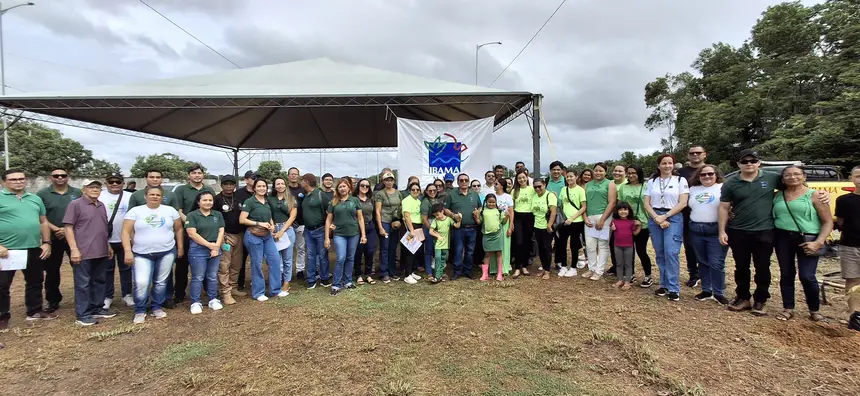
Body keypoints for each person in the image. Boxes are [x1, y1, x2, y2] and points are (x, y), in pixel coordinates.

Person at [718, 149, 829, 315]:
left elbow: (795, 185)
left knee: (762, 267)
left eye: (752, 161)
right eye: (745, 161)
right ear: (739, 164)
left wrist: (821, 193)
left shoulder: (772, 178)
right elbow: (724, 206)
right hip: (738, 230)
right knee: (741, 267)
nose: (749, 164)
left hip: (765, 231)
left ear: (758, 162)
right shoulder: (731, 183)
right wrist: (722, 230)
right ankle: (743, 297)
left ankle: (760, 300)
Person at [772, 166, 833, 322]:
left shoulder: (815, 196)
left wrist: (818, 242)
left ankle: (814, 310)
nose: (792, 177)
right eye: (788, 175)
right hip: (782, 237)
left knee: (807, 276)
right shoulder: (778, 196)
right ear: (783, 178)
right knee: (786, 274)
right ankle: (788, 308)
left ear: (804, 176)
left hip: (808, 238)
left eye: (796, 174)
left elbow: (827, 222)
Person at [0, 169, 56, 331]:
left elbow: (43, 222)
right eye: (13, 179)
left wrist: (46, 242)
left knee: (35, 281)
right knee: (2, 285)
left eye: (21, 179)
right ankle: (3, 316)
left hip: (32, 247)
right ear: (4, 182)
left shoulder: (34, 198)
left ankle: (35, 310)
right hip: (6, 250)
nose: (18, 182)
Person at [122, 186, 183, 324]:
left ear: (162, 197)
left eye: (158, 195)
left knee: (161, 282)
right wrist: (127, 250)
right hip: (141, 253)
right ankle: (140, 310)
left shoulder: (170, 211)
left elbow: (178, 229)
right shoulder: (136, 211)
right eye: (152, 194)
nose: (155, 197)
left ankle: (156, 306)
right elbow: (125, 232)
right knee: (141, 282)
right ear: (145, 196)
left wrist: (180, 247)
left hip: (166, 251)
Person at [63, 179, 115, 326]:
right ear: (83, 189)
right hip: (83, 251)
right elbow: (68, 228)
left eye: (97, 187)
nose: (94, 189)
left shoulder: (101, 205)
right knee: (83, 283)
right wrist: (74, 249)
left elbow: (102, 228)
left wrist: (108, 246)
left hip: (101, 250)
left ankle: (97, 307)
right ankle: (83, 314)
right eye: (91, 187)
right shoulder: (75, 205)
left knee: (99, 280)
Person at [644, 154, 689, 301]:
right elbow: (646, 203)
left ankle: (673, 287)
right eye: (664, 163)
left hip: (673, 217)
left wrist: (665, 216)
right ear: (659, 166)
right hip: (655, 216)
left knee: (671, 252)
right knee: (660, 253)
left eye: (670, 163)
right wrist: (657, 217)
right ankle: (663, 285)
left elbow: (682, 203)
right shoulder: (652, 181)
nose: (667, 166)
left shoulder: (680, 181)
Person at [37, 167, 81, 314]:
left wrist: (67, 229)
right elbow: (39, 215)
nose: (60, 178)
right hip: (52, 237)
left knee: (80, 267)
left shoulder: (77, 193)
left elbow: (81, 213)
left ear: (68, 177)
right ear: (51, 178)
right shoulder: (43, 194)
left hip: (74, 236)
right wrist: (56, 229)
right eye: (56, 176)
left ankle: (82, 298)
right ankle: (53, 300)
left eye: (63, 175)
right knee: (52, 271)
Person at [172, 164, 215, 306]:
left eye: (199, 173)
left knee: (206, 261)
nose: (197, 175)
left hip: (206, 232)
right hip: (186, 231)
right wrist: (191, 223)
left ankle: (209, 293)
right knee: (182, 263)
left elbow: (212, 208)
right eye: (194, 173)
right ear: (188, 175)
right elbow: (178, 210)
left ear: (203, 175)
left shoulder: (208, 190)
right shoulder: (181, 190)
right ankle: (179, 293)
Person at [687, 165, 729, 305]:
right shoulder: (693, 189)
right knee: (703, 262)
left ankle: (718, 292)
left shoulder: (723, 187)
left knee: (716, 263)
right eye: (703, 174)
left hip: (715, 229)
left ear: (716, 175)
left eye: (710, 174)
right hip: (696, 229)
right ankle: (706, 290)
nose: (707, 176)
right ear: (698, 176)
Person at [239, 179, 285, 301]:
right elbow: (242, 219)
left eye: (264, 186)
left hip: (267, 235)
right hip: (253, 235)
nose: (262, 188)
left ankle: (275, 290)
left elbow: (268, 216)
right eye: (259, 186)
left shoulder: (267, 201)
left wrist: (272, 224)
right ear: (254, 188)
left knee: (274, 260)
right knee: (257, 264)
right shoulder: (250, 202)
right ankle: (258, 293)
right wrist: (258, 223)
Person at [184, 191, 225, 314]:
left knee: (212, 276)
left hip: (215, 247)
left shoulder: (217, 214)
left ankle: (213, 299)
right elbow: (192, 233)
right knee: (198, 277)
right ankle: (195, 302)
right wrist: (209, 245)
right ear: (198, 202)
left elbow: (221, 231)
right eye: (205, 200)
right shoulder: (192, 215)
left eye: (210, 200)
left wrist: (216, 247)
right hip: (198, 249)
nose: (208, 202)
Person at [324, 178, 366, 295]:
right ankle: (336, 284)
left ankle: (347, 281)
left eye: (344, 186)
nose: (342, 188)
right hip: (339, 234)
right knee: (341, 257)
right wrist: (327, 237)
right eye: (340, 186)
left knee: (350, 258)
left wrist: (363, 234)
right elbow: (328, 220)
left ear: (349, 188)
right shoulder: (333, 202)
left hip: (354, 234)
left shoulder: (355, 201)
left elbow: (360, 218)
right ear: (337, 189)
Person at [99, 172, 133, 309]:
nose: (114, 184)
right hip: (106, 239)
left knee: (126, 268)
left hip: (125, 239)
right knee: (107, 269)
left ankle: (127, 294)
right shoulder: (100, 196)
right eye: (111, 181)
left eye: (117, 182)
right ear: (106, 183)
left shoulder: (130, 196)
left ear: (123, 183)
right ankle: (107, 296)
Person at [678, 145, 708, 286]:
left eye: (698, 153)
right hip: (686, 214)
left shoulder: (710, 170)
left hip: (709, 213)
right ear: (688, 156)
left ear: (704, 155)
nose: (695, 155)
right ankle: (694, 275)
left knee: (709, 247)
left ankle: (708, 275)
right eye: (692, 153)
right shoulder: (681, 172)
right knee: (690, 245)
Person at [618, 165, 652, 287]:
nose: (631, 175)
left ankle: (648, 275)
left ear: (639, 174)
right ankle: (630, 274)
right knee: (628, 251)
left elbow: (650, 204)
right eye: (629, 173)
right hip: (626, 223)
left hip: (643, 222)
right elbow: (620, 204)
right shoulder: (623, 187)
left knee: (641, 250)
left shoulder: (646, 186)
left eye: (634, 173)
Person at [581, 163, 617, 281]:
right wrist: (585, 217)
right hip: (590, 217)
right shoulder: (587, 185)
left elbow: (612, 202)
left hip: (604, 216)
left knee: (602, 245)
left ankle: (599, 270)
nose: (598, 173)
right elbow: (583, 203)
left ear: (605, 172)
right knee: (590, 245)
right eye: (596, 170)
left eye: (601, 171)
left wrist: (602, 219)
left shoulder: (610, 184)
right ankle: (591, 268)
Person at [443, 173, 482, 280]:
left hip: (472, 227)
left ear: (469, 182)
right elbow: (445, 209)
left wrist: (478, 212)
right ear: (458, 182)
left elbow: (480, 206)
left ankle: (468, 271)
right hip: (458, 228)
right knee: (458, 250)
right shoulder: (451, 194)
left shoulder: (474, 194)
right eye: (461, 180)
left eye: (466, 180)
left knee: (470, 251)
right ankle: (456, 272)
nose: (464, 182)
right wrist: (453, 215)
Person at [835, 165, 860, 331]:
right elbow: (841, 222)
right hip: (850, 246)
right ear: (851, 178)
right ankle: (855, 315)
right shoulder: (843, 200)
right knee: (853, 280)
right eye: (858, 176)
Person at [214, 175, 243, 305]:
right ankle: (225, 293)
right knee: (224, 265)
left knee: (236, 264)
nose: (229, 186)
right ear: (222, 185)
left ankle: (233, 287)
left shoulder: (238, 198)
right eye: (226, 184)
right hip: (225, 235)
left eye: (231, 184)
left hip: (240, 234)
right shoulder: (217, 199)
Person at [301, 173, 332, 288]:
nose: (301, 183)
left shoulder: (320, 195)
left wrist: (329, 227)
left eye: (302, 181)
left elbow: (329, 212)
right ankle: (311, 279)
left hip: (320, 229)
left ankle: (324, 278)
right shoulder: (305, 195)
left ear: (307, 182)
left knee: (323, 255)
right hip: (308, 231)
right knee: (310, 255)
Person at [556, 170, 587, 278]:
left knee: (574, 245)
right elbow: (560, 204)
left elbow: (583, 207)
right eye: (567, 177)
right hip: (564, 221)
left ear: (576, 177)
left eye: (571, 176)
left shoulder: (580, 190)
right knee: (561, 244)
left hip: (576, 221)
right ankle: (564, 266)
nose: (569, 179)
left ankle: (573, 267)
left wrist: (572, 218)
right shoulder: (563, 189)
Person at [270, 177, 297, 294]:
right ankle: (277, 281)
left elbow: (293, 216)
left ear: (285, 185)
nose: (280, 186)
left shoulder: (291, 199)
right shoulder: (269, 199)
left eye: (282, 183)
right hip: (273, 229)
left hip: (287, 229)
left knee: (287, 259)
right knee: (276, 258)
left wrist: (282, 231)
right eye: (277, 184)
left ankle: (286, 282)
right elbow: (268, 213)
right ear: (274, 186)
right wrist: (272, 227)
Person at [374, 171, 402, 283]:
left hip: (395, 223)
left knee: (393, 248)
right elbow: (378, 211)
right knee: (384, 248)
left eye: (391, 180)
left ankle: (392, 271)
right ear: (383, 181)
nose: (389, 182)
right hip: (384, 222)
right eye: (387, 180)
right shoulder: (380, 194)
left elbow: (401, 207)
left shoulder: (398, 193)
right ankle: (384, 272)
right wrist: (380, 227)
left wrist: (399, 220)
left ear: (393, 181)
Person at [234, 170, 258, 292]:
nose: (255, 180)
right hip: (242, 231)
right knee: (241, 258)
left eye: (257, 178)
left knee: (257, 258)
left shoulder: (261, 192)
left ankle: (257, 281)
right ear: (246, 179)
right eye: (253, 178)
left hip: (259, 231)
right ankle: (240, 283)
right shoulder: (238, 194)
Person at [531, 179, 557, 280]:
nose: (537, 188)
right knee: (540, 248)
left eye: (539, 186)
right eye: (535, 187)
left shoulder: (550, 195)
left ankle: (547, 270)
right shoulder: (534, 196)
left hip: (546, 226)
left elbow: (553, 212)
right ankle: (544, 267)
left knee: (547, 248)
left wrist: (549, 225)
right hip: (537, 226)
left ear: (544, 185)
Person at [477, 194, 507, 281]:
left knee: (499, 253)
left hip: (498, 235)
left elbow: (503, 222)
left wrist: (507, 216)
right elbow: (479, 222)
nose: (491, 204)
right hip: (487, 235)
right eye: (489, 202)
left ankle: (499, 274)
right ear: (486, 202)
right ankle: (485, 274)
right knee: (487, 254)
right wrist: (476, 216)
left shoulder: (499, 211)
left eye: (493, 202)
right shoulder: (482, 211)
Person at [511, 171, 535, 278]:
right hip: (518, 217)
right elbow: (511, 207)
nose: (522, 180)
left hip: (529, 217)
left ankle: (524, 266)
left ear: (527, 178)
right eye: (519, 178)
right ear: (517, 180)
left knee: (527, 242)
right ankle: (517, 267)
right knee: (518, 242)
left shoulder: (532, 189)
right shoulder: (514, 191)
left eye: (523, 177)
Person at [428, 203, 460, 283]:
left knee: (444, 259)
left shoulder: (448, 219)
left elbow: (456, 226)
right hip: (438, 244)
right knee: (438, 258)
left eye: (438, 215)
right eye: (435, 215)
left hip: (446, 244)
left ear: (442, 211)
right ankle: (437, 276)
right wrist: (437, 236)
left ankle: (441, 274)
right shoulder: (435, 221)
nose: (437, 217)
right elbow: (430, 231)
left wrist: (459, 220)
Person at [610, 202, 639, 290]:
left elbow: (635, 233)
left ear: (629, 211)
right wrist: (612, 229)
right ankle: (619, 280)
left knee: (628, 264)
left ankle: (627, 282)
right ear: (617, 211)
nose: (623, 212)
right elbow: (611, 232)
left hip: (629, 246)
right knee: (619, 264)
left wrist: (640, 226)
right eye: (620, 210)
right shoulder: (614, 221)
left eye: (625, 209)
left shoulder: (632, 222)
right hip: (617, 245)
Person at [401, 182, 425, 283]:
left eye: (417, 190)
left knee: (415, 250)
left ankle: (411, 272)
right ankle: (407, 275)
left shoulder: (418, 201)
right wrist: (411, 230)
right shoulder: (407, 200)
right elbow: (407, 216)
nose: (415, 191)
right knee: (409, 251)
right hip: (410, 227)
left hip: (418, 227)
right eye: (413, 189)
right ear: (409, 190)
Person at [354, 179, 377, 285]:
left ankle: (368, 274)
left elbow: (375, 213)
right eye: (362, 185)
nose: (364, 187)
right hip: (357, 228)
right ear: (358, 186)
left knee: (370, 251)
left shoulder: (371, 199)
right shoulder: (354, 199)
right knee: (359, 252)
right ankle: (358, 274)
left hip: (370, 227)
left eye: (367, 186)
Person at [607, 165, 628, 276]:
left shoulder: (627, 184)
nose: (617, 173)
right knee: (612, 243)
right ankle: (616, 266)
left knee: (624, 244)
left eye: (620, 171)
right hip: (613, 215)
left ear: (625, 172)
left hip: (625, 217)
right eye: (615, 170)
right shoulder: (610, 183)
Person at [489, 179, 513, 277]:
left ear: (502, 186)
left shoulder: (508, 197)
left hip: (505, 223)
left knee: (505, 247)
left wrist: (510, 227)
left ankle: (504, 268)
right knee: (494, 246)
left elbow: (511, 213)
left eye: (496, 183)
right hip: (494, 224)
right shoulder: (492, 195)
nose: (494, 185)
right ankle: (494, 268)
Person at [287, 167, 307, 281]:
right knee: (287, 249)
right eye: (291, 174)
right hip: (287, 224)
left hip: (301, 223)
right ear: (288, 176)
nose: (293, 176)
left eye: (296, 174)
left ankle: (300, 270)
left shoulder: (303, 189)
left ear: (298, 176)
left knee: (301, 248)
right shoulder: (284, 189)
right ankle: (287, 271)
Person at [420, 183, 442, 281]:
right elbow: (424, 219)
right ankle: (429, 272)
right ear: (426, 192)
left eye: (434, 190)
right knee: (428, 250)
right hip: (429, 227)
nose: (432, 192)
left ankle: (438, 271)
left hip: (438, 226)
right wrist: (431, 230)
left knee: (437, 250)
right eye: (430, 191)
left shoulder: (437, 200)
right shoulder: (425, 202)